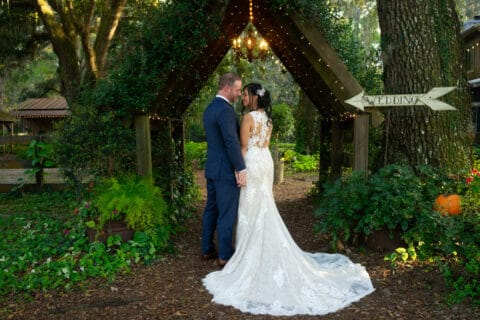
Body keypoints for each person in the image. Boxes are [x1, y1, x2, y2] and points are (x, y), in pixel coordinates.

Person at [202, 83, 374, 316]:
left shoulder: (248, 118)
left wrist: (238, 171)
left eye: (245, 94)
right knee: (264, 204)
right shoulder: (269, 121)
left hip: (252, 163)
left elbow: (243, 147)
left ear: (253, 98)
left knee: (249, 208)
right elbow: (265, 144)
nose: (243, 97)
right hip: (265, 162)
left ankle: (248, 254)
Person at [201, 72, 247, 268]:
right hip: (225, 171)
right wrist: (241, 167)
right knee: (227, 213)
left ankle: (206, 250)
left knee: (211, 209)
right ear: (227, 88)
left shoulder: (210, 109)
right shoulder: (226, 111)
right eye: (237, 90)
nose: (238, 94)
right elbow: (230, 142)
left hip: (212, 169)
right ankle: (225, 255)